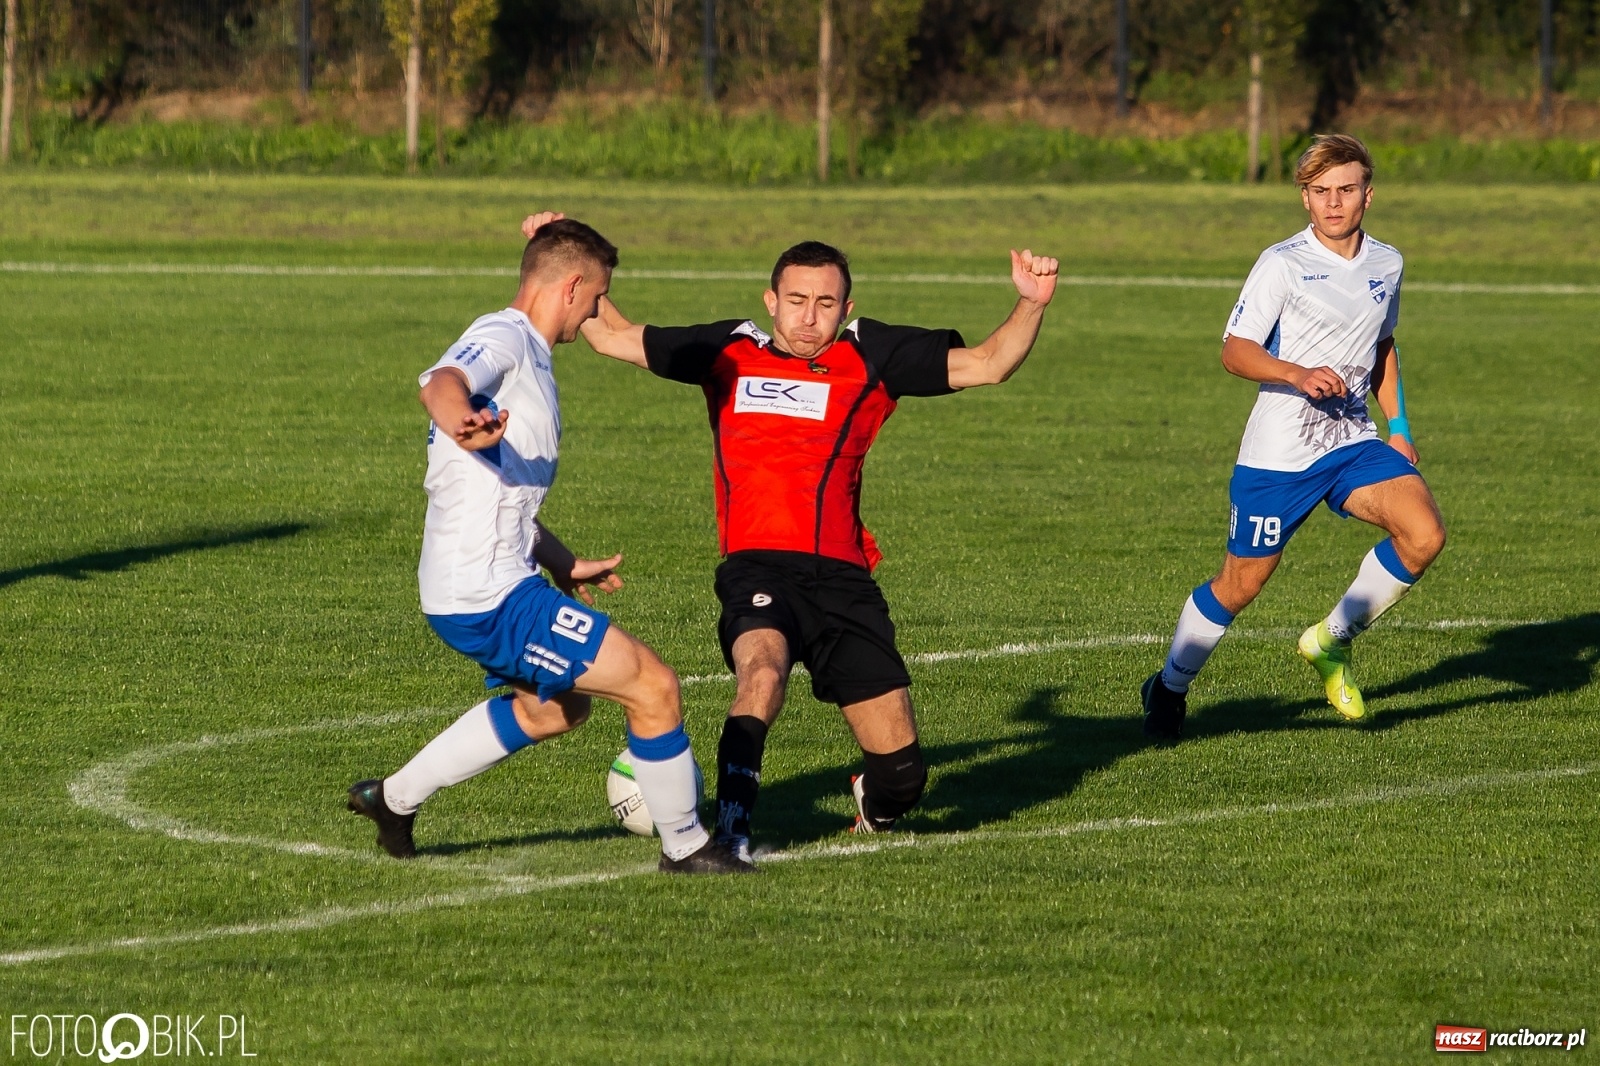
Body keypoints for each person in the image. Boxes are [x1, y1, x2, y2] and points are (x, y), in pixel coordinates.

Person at [567, 229, 1059, 865]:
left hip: (844, 581)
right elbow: (610, 335)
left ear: (845, 308)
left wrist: (1032, 302)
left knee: (903, 778)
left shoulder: (873, 353)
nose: (809, 316)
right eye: (796, 300)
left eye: (825, 304)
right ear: (771, 300)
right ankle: (730, 837)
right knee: (762, 674)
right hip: (757, 566)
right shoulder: (727, 350)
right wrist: (566, 250)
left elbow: (989, 363)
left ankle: (872, 800)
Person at [347, 215, 748, 874]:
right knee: (652, 685)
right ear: (571, 287)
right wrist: (461, 420)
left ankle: (393, 799)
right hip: (487, 594)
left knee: (557, 709)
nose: (592, 314)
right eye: (595, 298)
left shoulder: (529, 354)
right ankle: (686, 847)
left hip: (484, 582)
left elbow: (503, 493)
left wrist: (563, 561)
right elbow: (439, 382)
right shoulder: (504, 336)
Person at [1140, 134, 1447, 739]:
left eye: (1346, 189)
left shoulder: (1388, 263)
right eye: (1319, 191)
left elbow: (1382, 345)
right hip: (1279, 452)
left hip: (1351, 440)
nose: (1333, 202)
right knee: (1242, 584)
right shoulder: (1281, 263)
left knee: (1424, 534)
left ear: (1367, 194)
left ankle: (1331, 640)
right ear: (1305, 198)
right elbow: (1235, 350)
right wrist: (1296, 373)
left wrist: (1400, 427)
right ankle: (1170, 686)